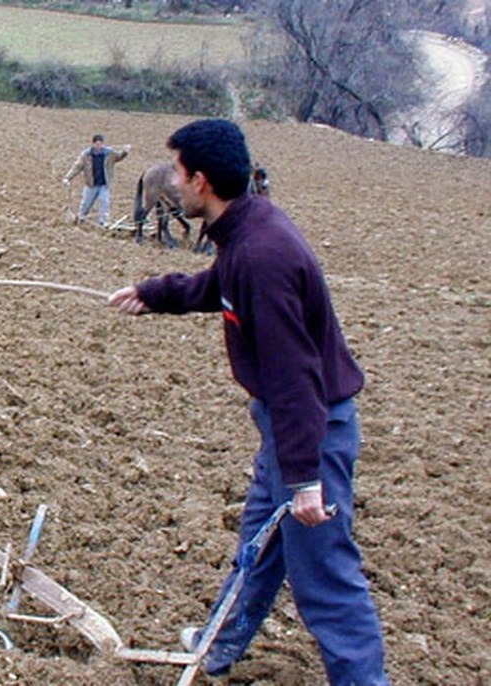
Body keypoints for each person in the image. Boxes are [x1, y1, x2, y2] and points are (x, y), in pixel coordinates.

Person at [107, 119, 387, 684]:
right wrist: (153, 293)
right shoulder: (245, 231)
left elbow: (294, 377)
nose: (176, 186)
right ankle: (219, 646)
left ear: (201, 181)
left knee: (326, 577)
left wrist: (306, 479)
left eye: (180, 175)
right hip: (288, 433)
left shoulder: (263, 254)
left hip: (310, 432)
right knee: (257, 551)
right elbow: (219, 286)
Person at [62, 133, 130, 227]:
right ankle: (81, 218)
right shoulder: (86, 155)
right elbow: (77, 167)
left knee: (104, 202)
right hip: (91, 184)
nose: (99, 146)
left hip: (104, 184)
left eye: (100, 144)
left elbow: (119, 157)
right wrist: (68, 177)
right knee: (86, 204)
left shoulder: (109, 153)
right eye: (97, 144)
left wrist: (125, 152)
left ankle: (103, 222)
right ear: (93, 144)